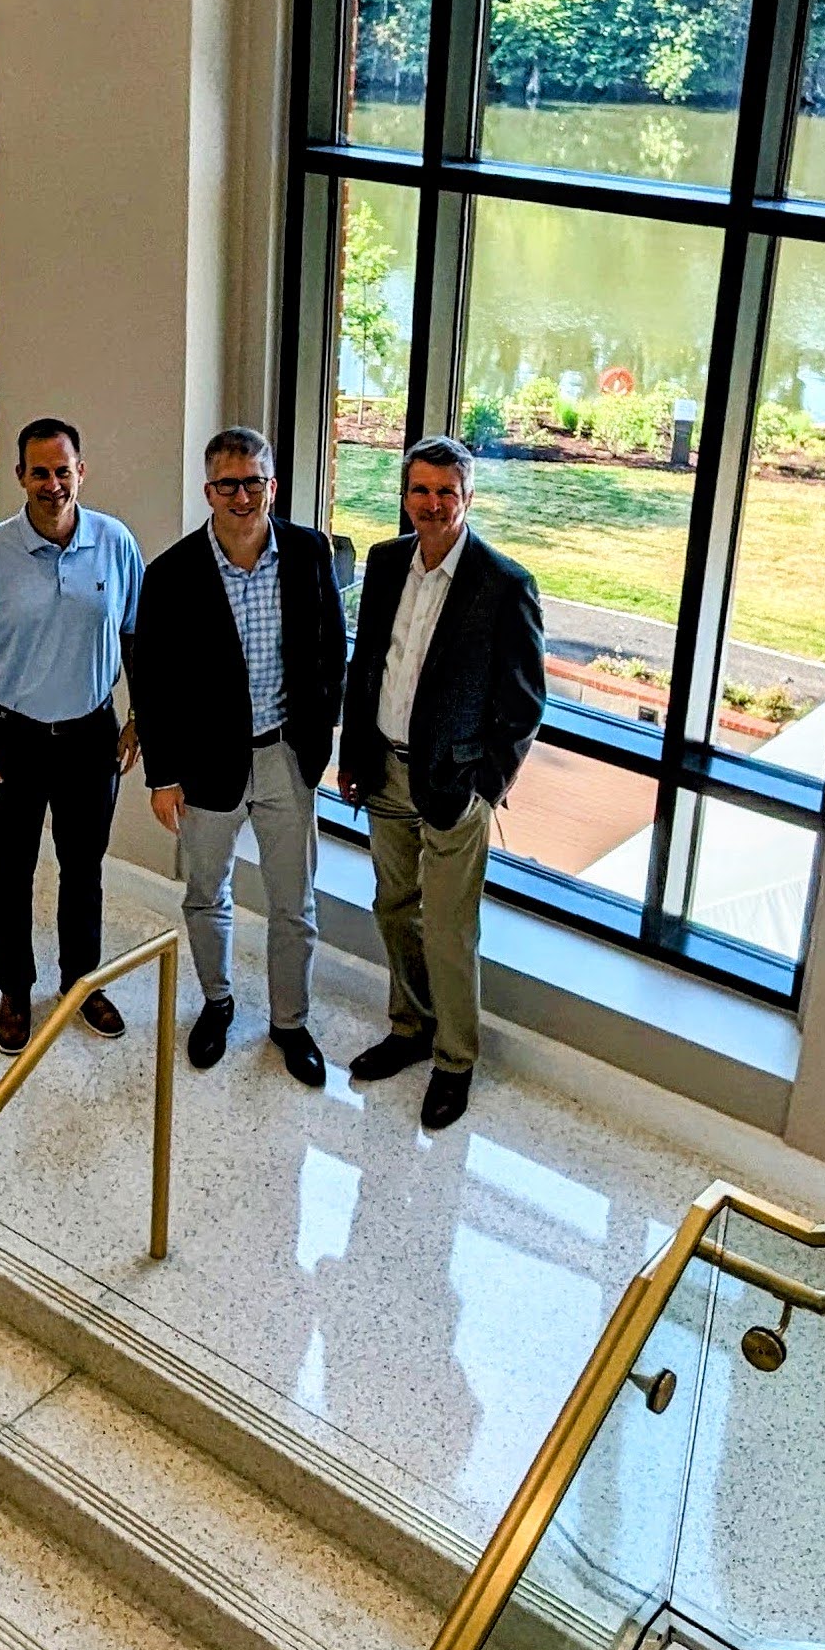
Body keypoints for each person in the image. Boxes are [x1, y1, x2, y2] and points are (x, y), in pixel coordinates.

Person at [335, 435, 544, 1130]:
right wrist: (354, 755)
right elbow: (367, 664)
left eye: (444, 492)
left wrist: (485, 785)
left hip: (454, 788)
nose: (431, 504)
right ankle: (409, 1028)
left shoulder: (504, 585)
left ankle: (455, 1061)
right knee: (393, 909)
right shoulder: (387, 560)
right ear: (405, 496)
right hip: (385, 772)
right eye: (420, 491)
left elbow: (522, 704)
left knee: (449, 931)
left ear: (467, 498)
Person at [135, 427, 348, 1086]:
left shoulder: (311, 554)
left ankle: (289, 1023)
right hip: (203, 765)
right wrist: (162, 776)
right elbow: (153, 680)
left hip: (286, 755)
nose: (241, 495)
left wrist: (322, 742)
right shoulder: (170, 574)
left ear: (272, 486)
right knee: (206, 893)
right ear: (208, 492)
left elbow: (332, 654)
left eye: (253, 481)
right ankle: (218, 1002)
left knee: (294, 902)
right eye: (227, 484)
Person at [0, 417, 145, 1057]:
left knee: (83, 869)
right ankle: (13, 989)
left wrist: (142, 717)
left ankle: (81, 983)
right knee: (12, 871)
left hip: (91, 738)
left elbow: (138, 634)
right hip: (11, 741)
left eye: (63, 471)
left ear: (80, 472)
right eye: (40, 472)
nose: (52, 484)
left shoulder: (115, 543)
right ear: (20, 476)